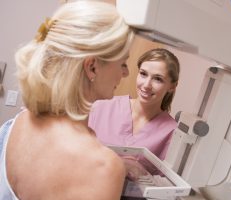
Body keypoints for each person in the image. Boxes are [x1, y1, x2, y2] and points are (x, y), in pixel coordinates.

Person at [0, 1, 135, 199]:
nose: (126, 73)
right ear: (92, 67)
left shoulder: (18, 123)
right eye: (123, 63)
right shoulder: (103, 168)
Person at [88, 48, 180, 163]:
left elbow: (161, 178)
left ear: (172, 86)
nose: (146, 85)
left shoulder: (172, 132)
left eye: (158, 79)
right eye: (143, 74)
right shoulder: (102, 106)